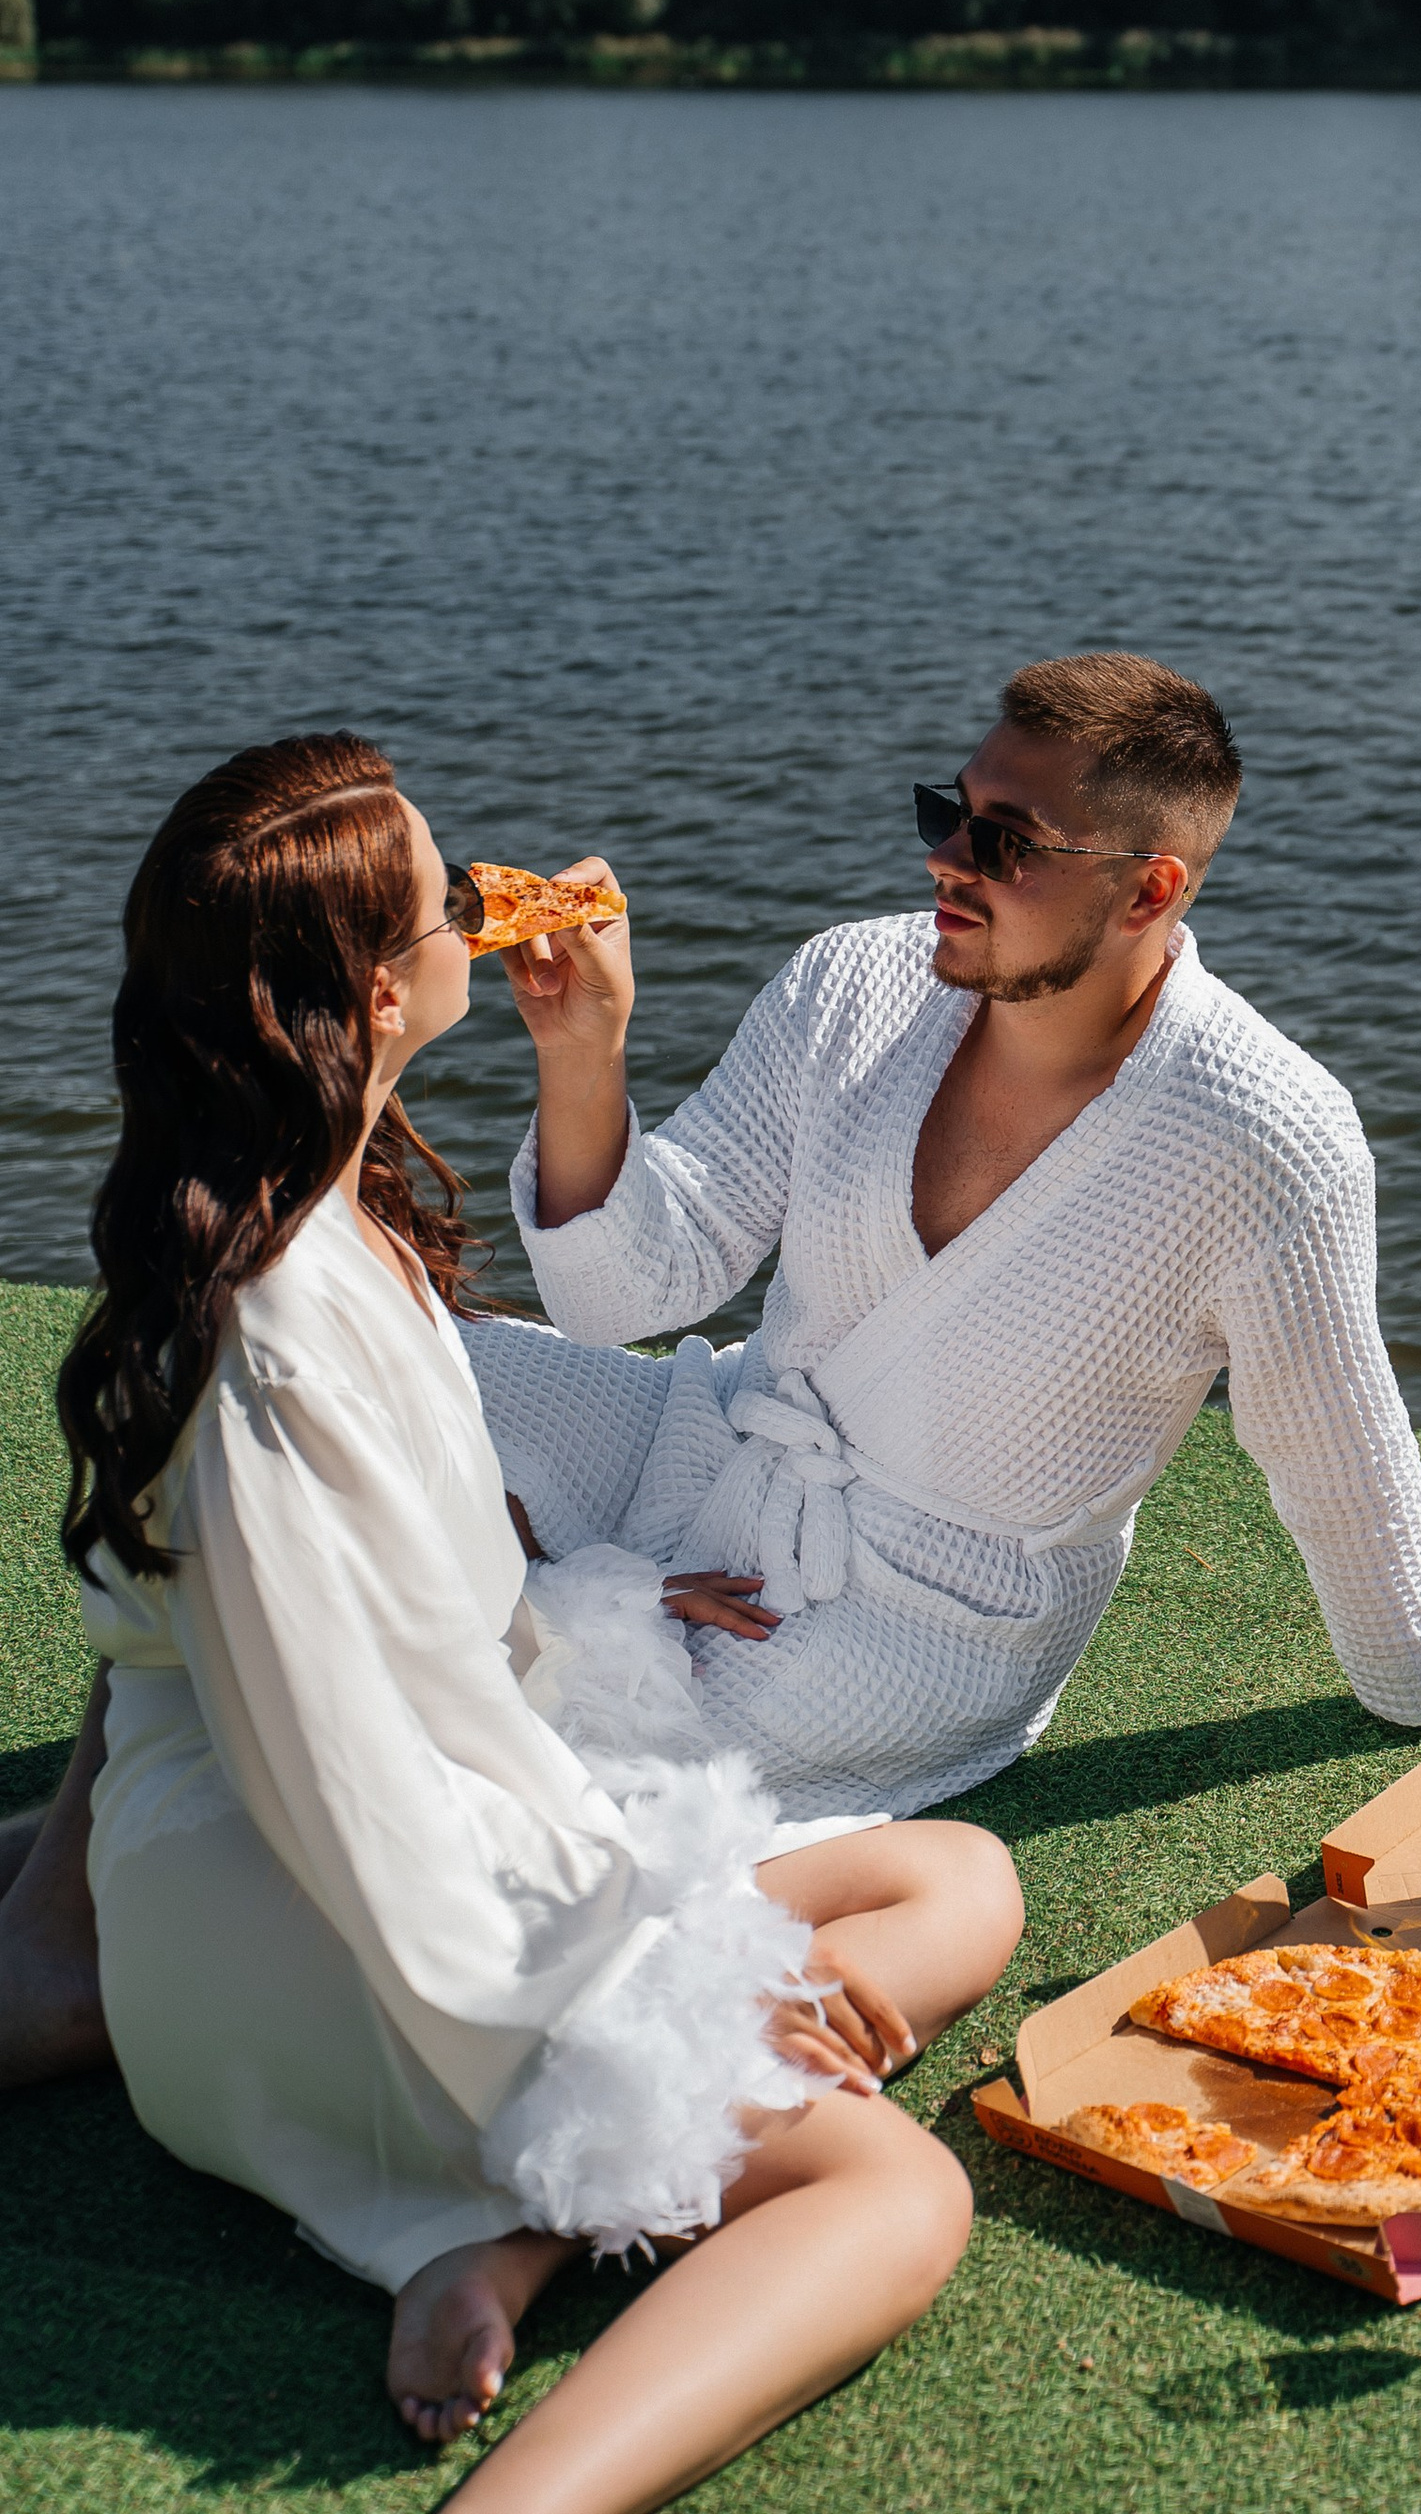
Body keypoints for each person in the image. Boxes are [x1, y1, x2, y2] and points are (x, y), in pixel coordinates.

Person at [10, 732, 1019, 2502]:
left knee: (959, 1879)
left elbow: (387, 1614)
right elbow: (343, 1763)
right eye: (444, 894)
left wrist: (596, 1595)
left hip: (354, 1836)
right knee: (896, 2185)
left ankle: (524, 2244)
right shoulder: (280, 1328)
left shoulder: (319, 1207)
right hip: (309, 1927)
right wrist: (637, 1997)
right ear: (376, 990)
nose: (482, 903)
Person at [464, 654, 1421, 1825]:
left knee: (574, 1780)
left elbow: (1335, 1454)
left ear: (1148, 891)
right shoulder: (853, 981)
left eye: (1006, 841)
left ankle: (556, 1600)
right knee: (395, 1362)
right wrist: (582, 1050)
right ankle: (570, 1589)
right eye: (948, 812)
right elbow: (634, 1290)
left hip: (912, 1615)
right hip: (716, 1434)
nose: (945, 859)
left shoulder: (1264, 1136)